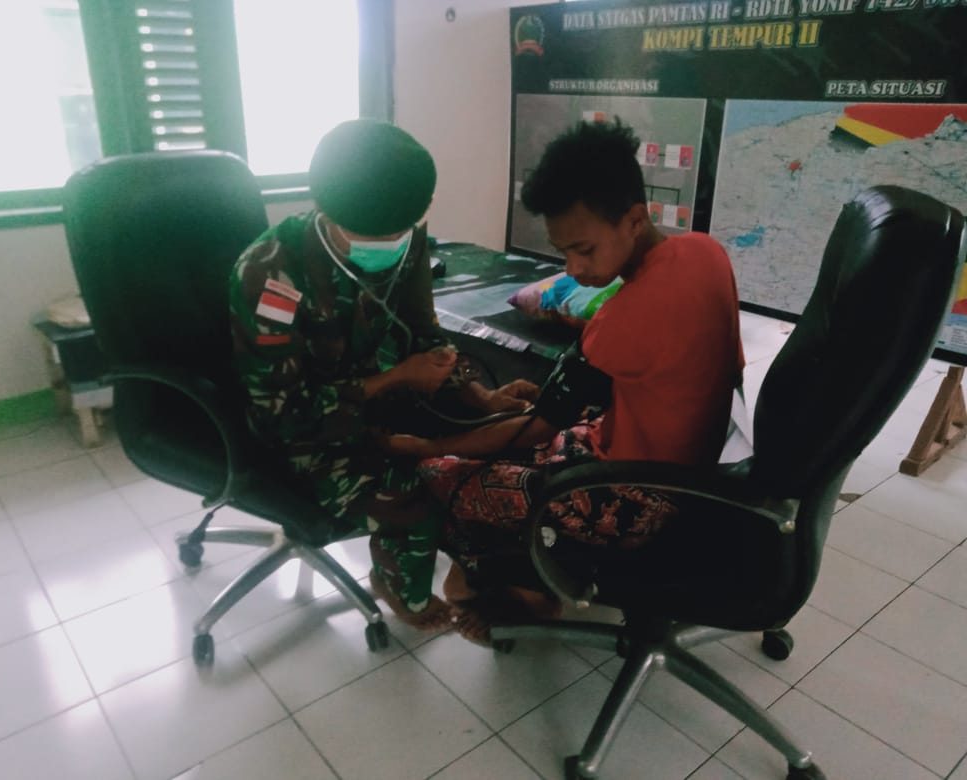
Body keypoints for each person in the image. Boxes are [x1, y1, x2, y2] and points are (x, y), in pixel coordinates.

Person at [384, 118, 745, 643]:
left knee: (442, 476)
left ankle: (519, 590)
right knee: (522, 447)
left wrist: (425, 447)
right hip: (694, 469)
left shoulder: (625, 319)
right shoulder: (705, 252)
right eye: (563, 252)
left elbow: (534, 427)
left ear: (635, 219)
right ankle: (537, 569)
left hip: (639, 499)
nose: (572, 269)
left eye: (584, 250)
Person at [227, 119, 537, 630]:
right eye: (374, 236)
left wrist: (478, 396)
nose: (392, 243)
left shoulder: (405, 236)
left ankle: (492, 581)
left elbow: (423, 331)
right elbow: (281, 412)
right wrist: (395, 381)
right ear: (325, 210)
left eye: (401, 231)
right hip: (308, 431)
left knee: (505, 445)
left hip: (381, 397)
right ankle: (398, 586)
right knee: (418, 497)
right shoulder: (272, 277)